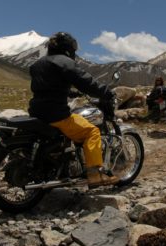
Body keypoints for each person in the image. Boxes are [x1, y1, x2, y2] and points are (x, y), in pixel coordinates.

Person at [28, 32, 119, 187]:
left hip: (36, 111)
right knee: (92, 132)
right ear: (68, 48)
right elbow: (87, 82)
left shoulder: (38, 64)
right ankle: (95, 174)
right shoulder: (65, 62)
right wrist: (107, 93)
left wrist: (69, 92)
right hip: (56, 114)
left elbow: (48, 85)